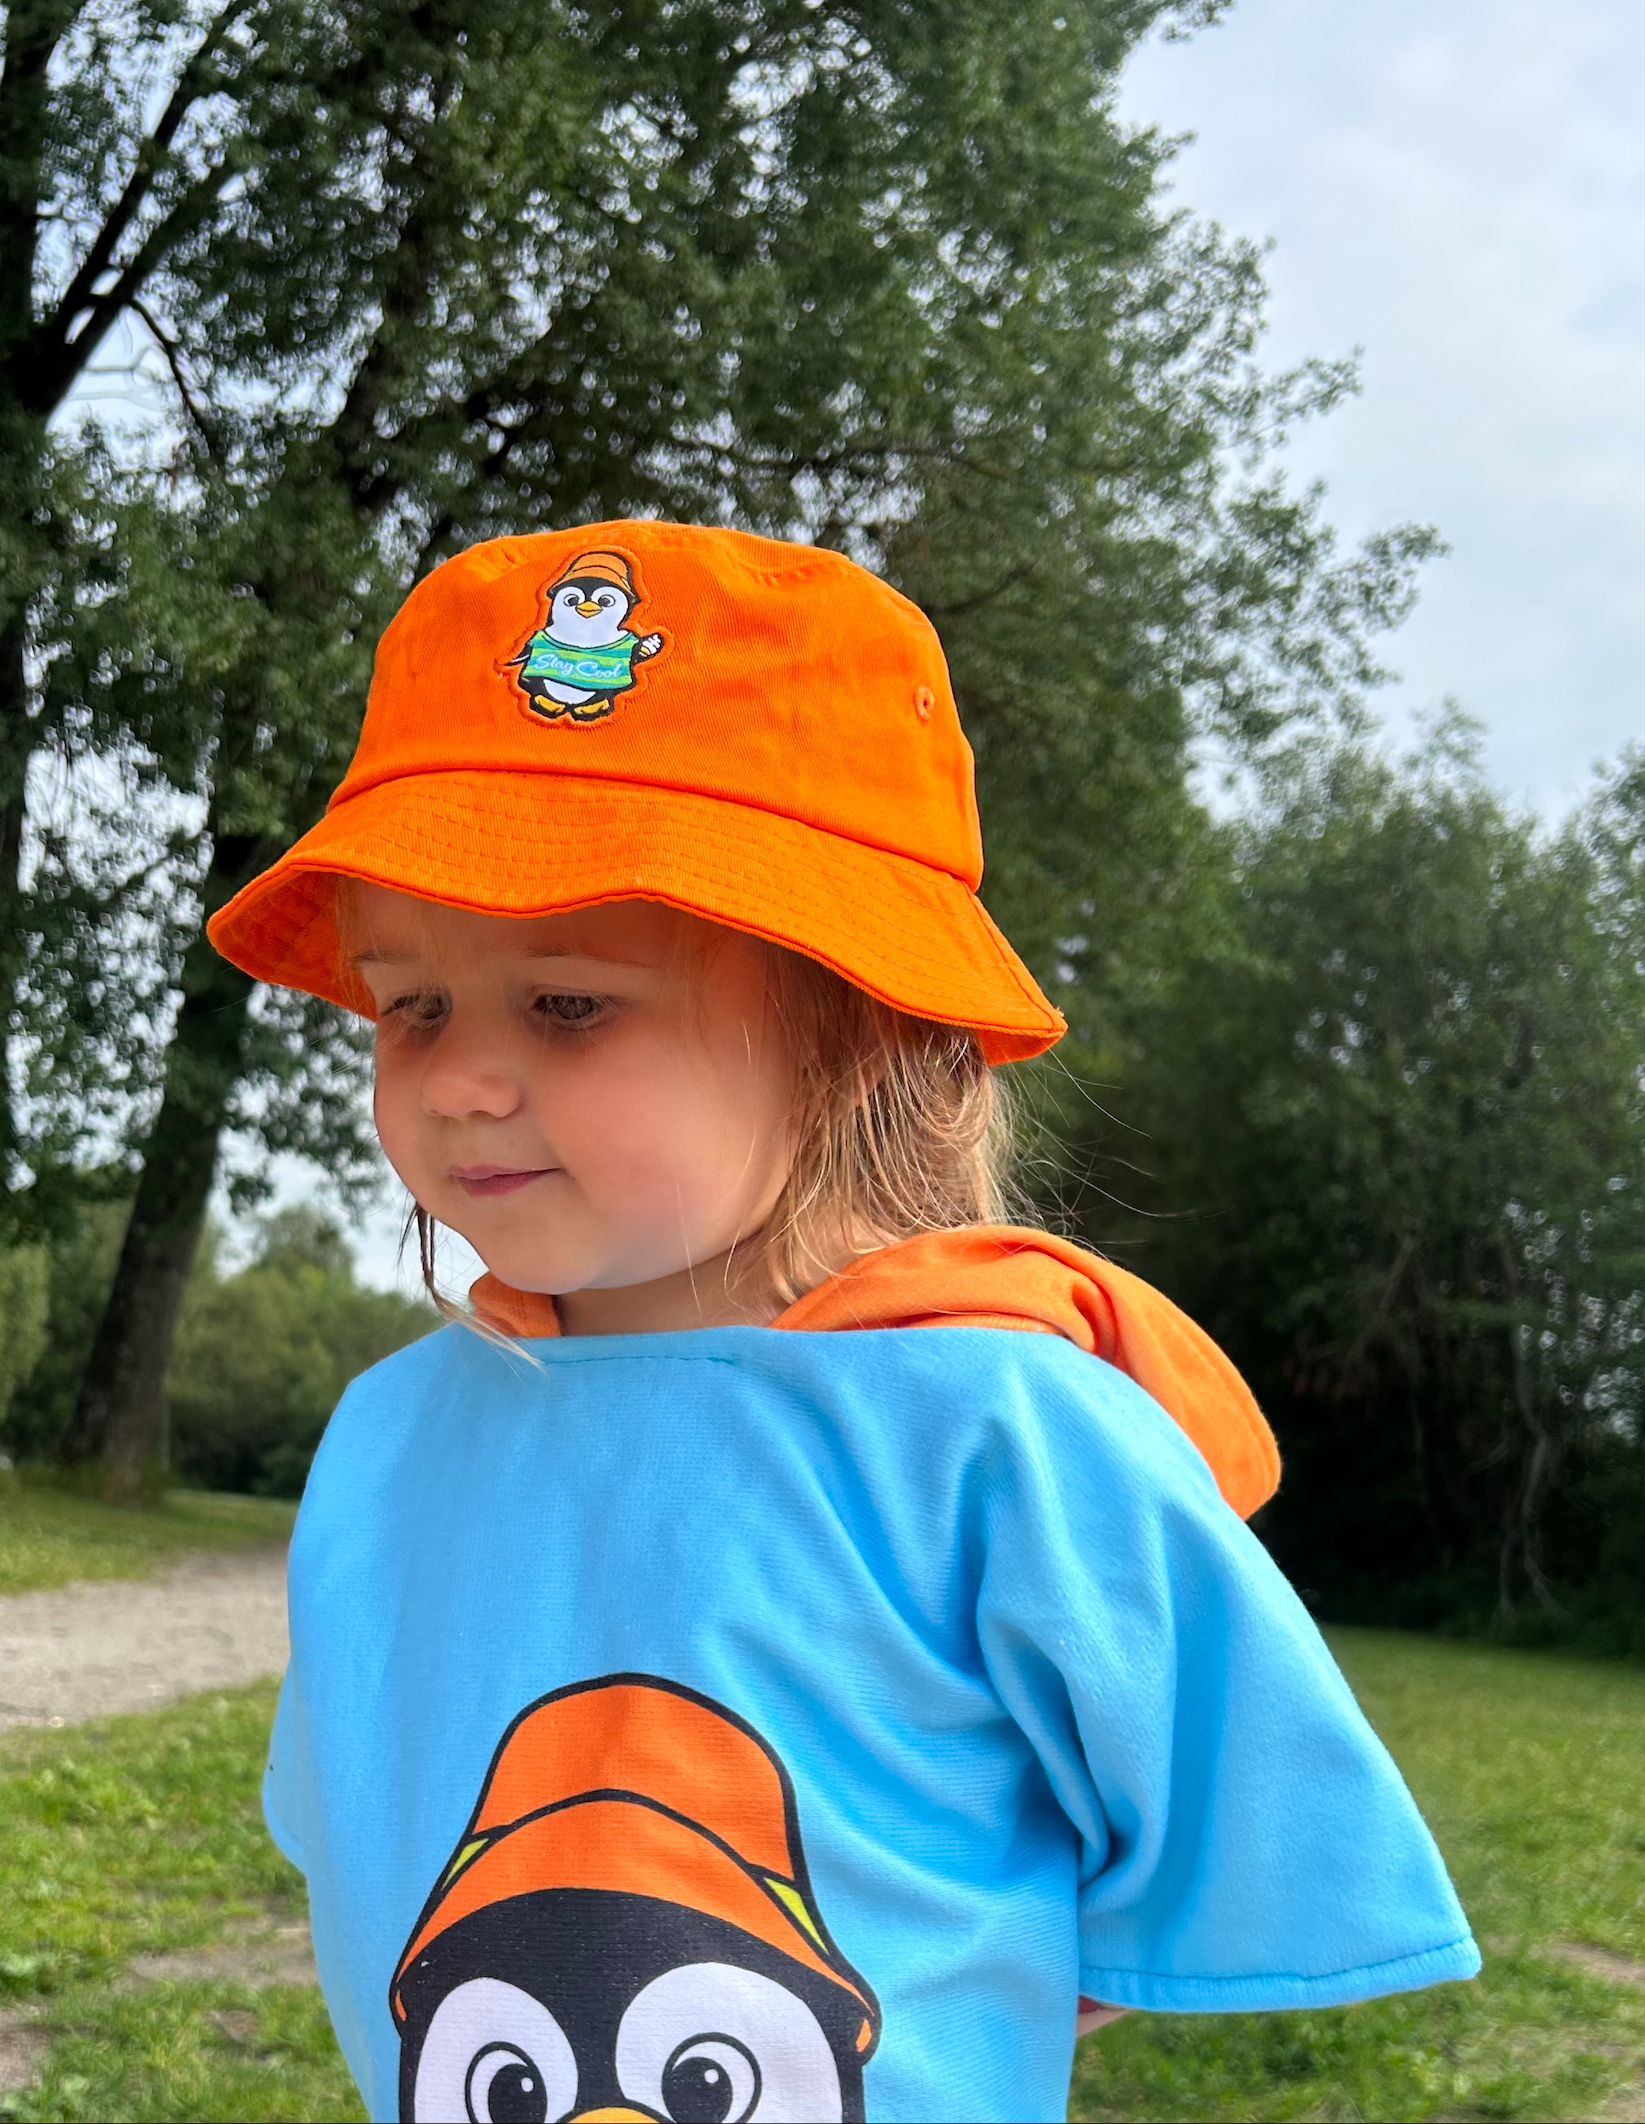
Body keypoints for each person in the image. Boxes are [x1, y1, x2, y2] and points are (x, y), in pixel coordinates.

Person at [208, 521, 1478, 2124]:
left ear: (861, 1029)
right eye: (413, 1002)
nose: (457, 1075)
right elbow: (364, 1814)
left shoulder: (1001, 1434)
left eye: (568, 998)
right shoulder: (389, 1435)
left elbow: (1189, 1843)